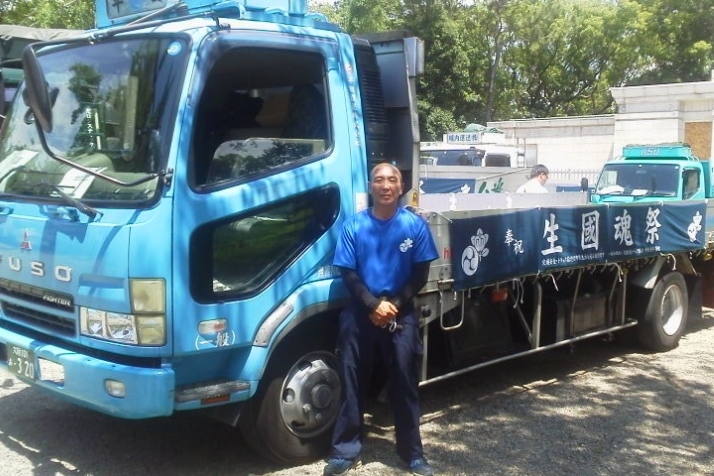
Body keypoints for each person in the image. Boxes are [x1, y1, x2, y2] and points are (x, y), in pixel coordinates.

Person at [324, 163, 439, 476]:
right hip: (359, 314)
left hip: (401, 315)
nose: (385, 185)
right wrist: (373, 305)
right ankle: (345, 452)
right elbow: (347, 272)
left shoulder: (413, 226)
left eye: (392, 180)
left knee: (404, 383)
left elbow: (420, 273)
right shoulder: (353, 226)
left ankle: (412, 455)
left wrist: (395, 304)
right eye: (379, 180)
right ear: (371, 186)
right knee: (352, 382)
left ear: (401, 187)